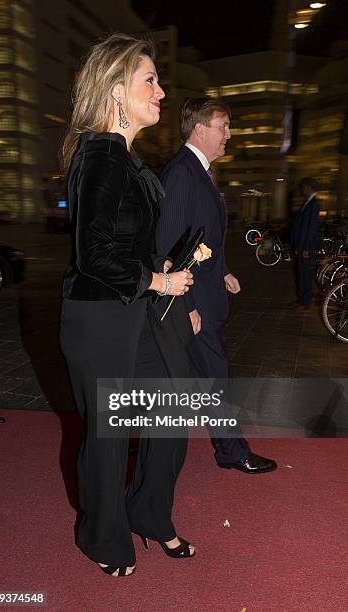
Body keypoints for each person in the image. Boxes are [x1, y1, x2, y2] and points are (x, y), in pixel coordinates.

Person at [60, 34, 195, 578]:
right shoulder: (99, 154)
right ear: (117, 90)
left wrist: (168, 273)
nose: (161, 91)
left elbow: (127, 247)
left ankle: (149, 513)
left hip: (133, 310)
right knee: (109, 437)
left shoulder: (124, 158)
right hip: (98, 318)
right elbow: (93, 255)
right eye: (150, 80)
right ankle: (103, 538)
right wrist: (159, 284)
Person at [155, 97, 277, 474]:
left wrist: (222, 269)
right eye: (224, 126)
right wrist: (187, 303)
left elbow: (203, 234)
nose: (229, 134)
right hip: (192, 299)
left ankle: (141, 438)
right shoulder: (181, 173)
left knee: (181, 375)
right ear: (200, 128)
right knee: (215, 373)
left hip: (204, 290)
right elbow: (168, 245)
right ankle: (231, 450)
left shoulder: (200, 171)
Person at [290, 177, 320, 309]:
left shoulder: (314, 204)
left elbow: (311, 228)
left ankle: (305, 301)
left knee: (305, 274)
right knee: (301, 273)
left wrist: (306, 248)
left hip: (306, 247)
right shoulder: (309, 202)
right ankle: (302, 298)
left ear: (308, 187)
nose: (302, 190)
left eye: (303, 187)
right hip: (302, 246)